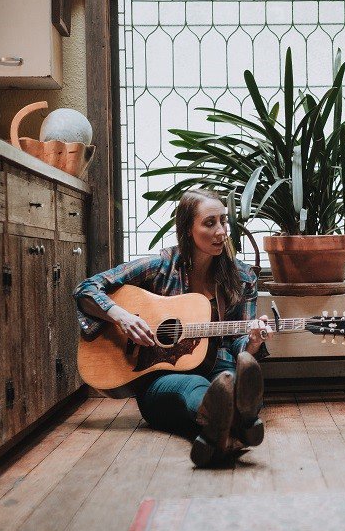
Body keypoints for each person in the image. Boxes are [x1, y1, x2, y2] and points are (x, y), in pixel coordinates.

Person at [73, 188, 270, 467]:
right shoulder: (162, 266)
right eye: (209, 223)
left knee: (231, 379)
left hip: (220, 369)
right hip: (160, 380)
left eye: (223, 221)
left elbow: (238, 343)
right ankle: (242, 421)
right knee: (200, 387)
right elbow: (86, 289)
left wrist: (252, 342)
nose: (221, 231)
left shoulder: (242, 277)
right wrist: (122, 317)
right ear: (188, 229)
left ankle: (219, 432)